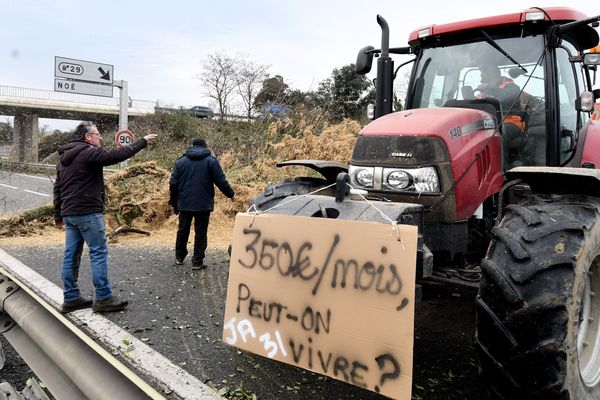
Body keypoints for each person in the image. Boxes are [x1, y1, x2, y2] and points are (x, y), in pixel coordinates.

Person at [53, 122, 157, 313]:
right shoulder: (88, 152)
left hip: (70, 214)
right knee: (98, 252)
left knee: (71, 255)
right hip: (88, 212)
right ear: (87, 137)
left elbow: (58, 188)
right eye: (97, 134)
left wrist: (58, 214)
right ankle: (103, 297)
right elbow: (116, 155)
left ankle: (71, 297)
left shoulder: (63, 159)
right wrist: (142, 142)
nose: (100, 138)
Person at [169, 138, 234, 270]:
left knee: (183, 230)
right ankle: (197, 262)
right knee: (201, 232)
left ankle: (179, 257)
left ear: (191, 146)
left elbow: (173, 183)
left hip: (185, 203)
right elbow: (221, 181)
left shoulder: (181, 162)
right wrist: (231, 194)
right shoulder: (211, 161)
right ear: (205, 146)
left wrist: (174, 201)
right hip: (203, 204)